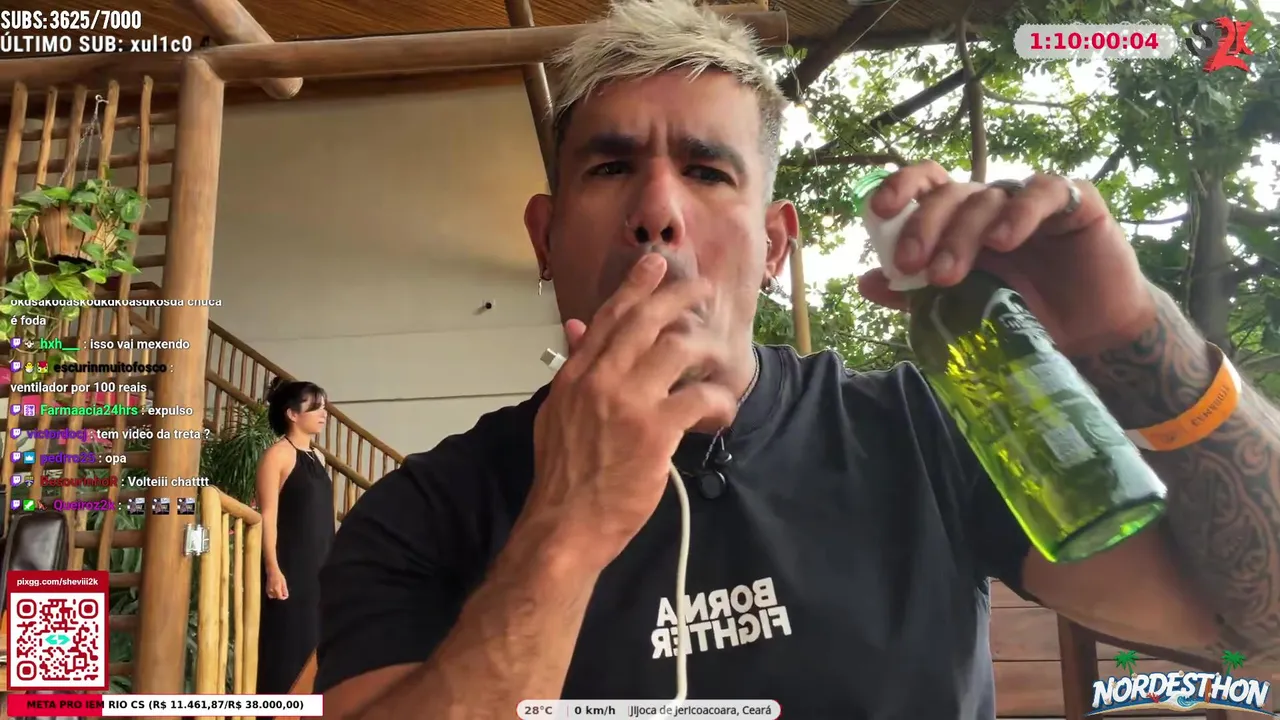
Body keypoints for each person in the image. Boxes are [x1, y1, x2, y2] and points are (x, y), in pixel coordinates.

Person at [314, 1, 1280, 716]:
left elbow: (1258, 623)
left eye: (706, 171)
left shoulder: (920, 433)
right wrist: (566, 530)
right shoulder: (421, 514)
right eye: (610, 168)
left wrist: (1130, 333)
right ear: (544, 237)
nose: (657, 210)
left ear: (776, 246)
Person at [256, 378, 334, 698]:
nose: (323, 413)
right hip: (289, 569)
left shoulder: (319, 458)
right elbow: (267, 517)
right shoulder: (277, 455)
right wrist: (273, 568)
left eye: (324, 406)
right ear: (292, 413)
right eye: (315, 407)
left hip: (320, 570)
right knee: (286, 650)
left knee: (318, 650)